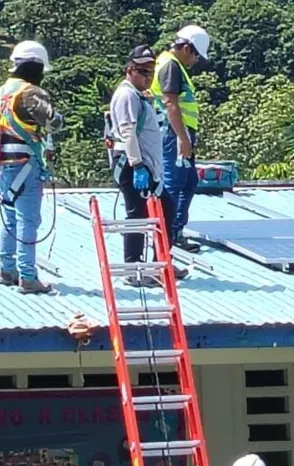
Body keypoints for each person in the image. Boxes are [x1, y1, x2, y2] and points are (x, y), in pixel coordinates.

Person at [107, 44, 189, 285]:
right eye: (142, 71)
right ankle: (134, 268)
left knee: (165, 211)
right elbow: (127, 132)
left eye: (150, 72)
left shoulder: (138, 95)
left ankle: (159, 264)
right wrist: (138, 165)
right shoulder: (126, 95)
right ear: (129, 70)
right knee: (138, 216)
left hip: (147, 166)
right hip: (133, 165)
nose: (147, 76)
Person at [0, 40, 64, 295]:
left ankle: (6, 269)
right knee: (28, 220)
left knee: (10, 219)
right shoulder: (30, 93)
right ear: (35, 66)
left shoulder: (3, 92)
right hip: (25, 164)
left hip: (2, 165)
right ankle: (28, 276)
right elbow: (52, 121)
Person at [150, 24, 212, 254]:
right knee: (174, 184)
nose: (196, 59)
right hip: (174, 134)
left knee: (188, 182)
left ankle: (175, 232)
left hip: (180, 133)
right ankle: (164, 240)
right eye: (195, 54)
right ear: (186, 47)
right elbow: (170, 103)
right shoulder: (170, 66)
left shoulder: (172, 64)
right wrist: (182, 138)